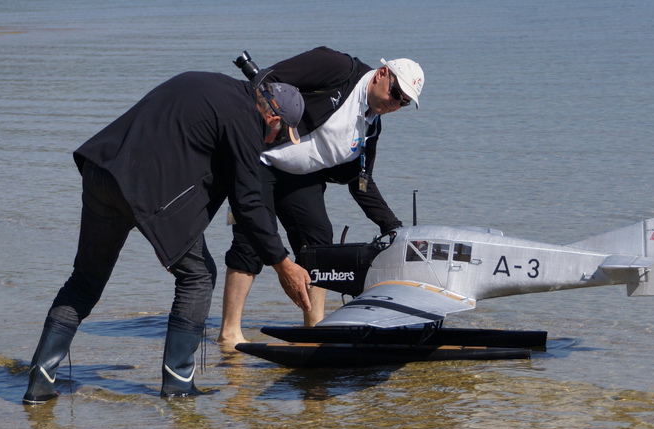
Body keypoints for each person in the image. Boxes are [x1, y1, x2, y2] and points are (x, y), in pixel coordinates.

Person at [23, 71, 312, 404]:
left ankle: (39, 385)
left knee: (85, 282)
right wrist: (283, 264)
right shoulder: (246, 119)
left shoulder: (209, 82)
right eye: (277, 134)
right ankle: (178, 386)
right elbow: (248, 202)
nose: (270, 141)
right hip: (140, 188)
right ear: (272, 117)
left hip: (100, 169)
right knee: (199, 276)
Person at [216, 47, 424, 346]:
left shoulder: (372, 126)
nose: (396, 104)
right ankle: (229, 332)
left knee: (319, 242)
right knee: (252, 239)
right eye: (396, 93)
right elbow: (264, 82)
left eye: (404, 103)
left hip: (301, 175)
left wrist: (393, 228)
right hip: (260, 161)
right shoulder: (337, 68)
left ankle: (314, 329)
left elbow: (360, 182)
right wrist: (255, 129)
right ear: (382, 74)